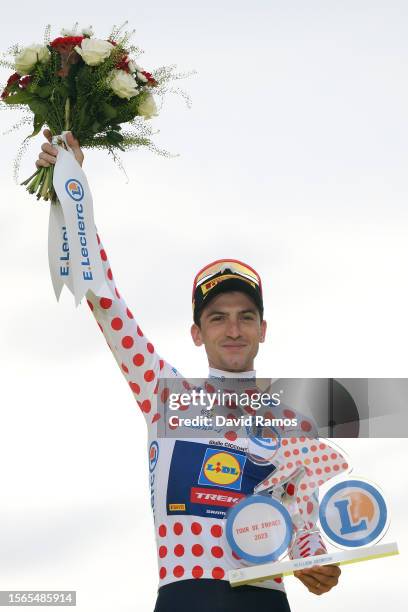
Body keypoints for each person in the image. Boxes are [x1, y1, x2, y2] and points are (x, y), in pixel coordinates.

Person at [36, 131, 341, 612]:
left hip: (264, 599)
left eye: (245, 317)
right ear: (197, 333)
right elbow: (104, 298)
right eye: (217, 318)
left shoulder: (291, 420)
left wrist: (316, 565)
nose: (233, 330)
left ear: (263, 329)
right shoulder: (163, 391)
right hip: (186, 596)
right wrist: (74, 192)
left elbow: (305, 530)